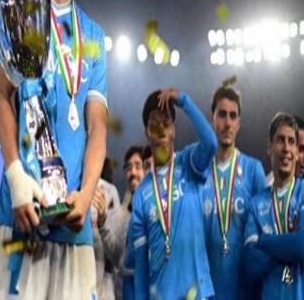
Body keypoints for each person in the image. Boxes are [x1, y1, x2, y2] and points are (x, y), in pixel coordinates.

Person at [0, 0, 107, 299]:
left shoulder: (94, 36)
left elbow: (97, 128)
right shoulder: (16, 12)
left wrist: (87, 195)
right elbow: (3, 98)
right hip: (22, 218)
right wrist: (16, 177)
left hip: (74, 232)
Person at [131, 88, 218, 299]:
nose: (161, 130)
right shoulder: (141, 194)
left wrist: (183, 100)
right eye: (154, 124)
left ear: (173, 130)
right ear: (147, 132)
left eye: (166, 123)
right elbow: (140, 269)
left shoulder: (188, 163)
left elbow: (211, 143)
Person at [244, 113, 304, 299]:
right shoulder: (256, 204)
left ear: (296, 151)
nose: (286, 148)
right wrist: (290, 241)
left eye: (291, 141)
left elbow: (301, 245)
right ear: (270, 147)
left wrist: (263, 240)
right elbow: (251, 266)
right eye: (280, 140)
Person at [202, 87, 266, 298]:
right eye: (222, 115)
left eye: (233, 116)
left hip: (245, 292)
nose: (227, 123)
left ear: (239, 123)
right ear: (212, 119)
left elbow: (265, 236)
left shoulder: (253, 171)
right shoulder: (199, 172)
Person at [94, 145, 145, 300]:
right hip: (127, 291)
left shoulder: (159, 210)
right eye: (128, 168)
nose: (132, 172)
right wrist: (102, 222)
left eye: (138, 166)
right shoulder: (125, 216)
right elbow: (116, 256)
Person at [92, 158, 121, 300]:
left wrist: (102, 222)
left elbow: (115, 253)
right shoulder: (67, 185)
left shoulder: (108, 191)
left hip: (101, 287)